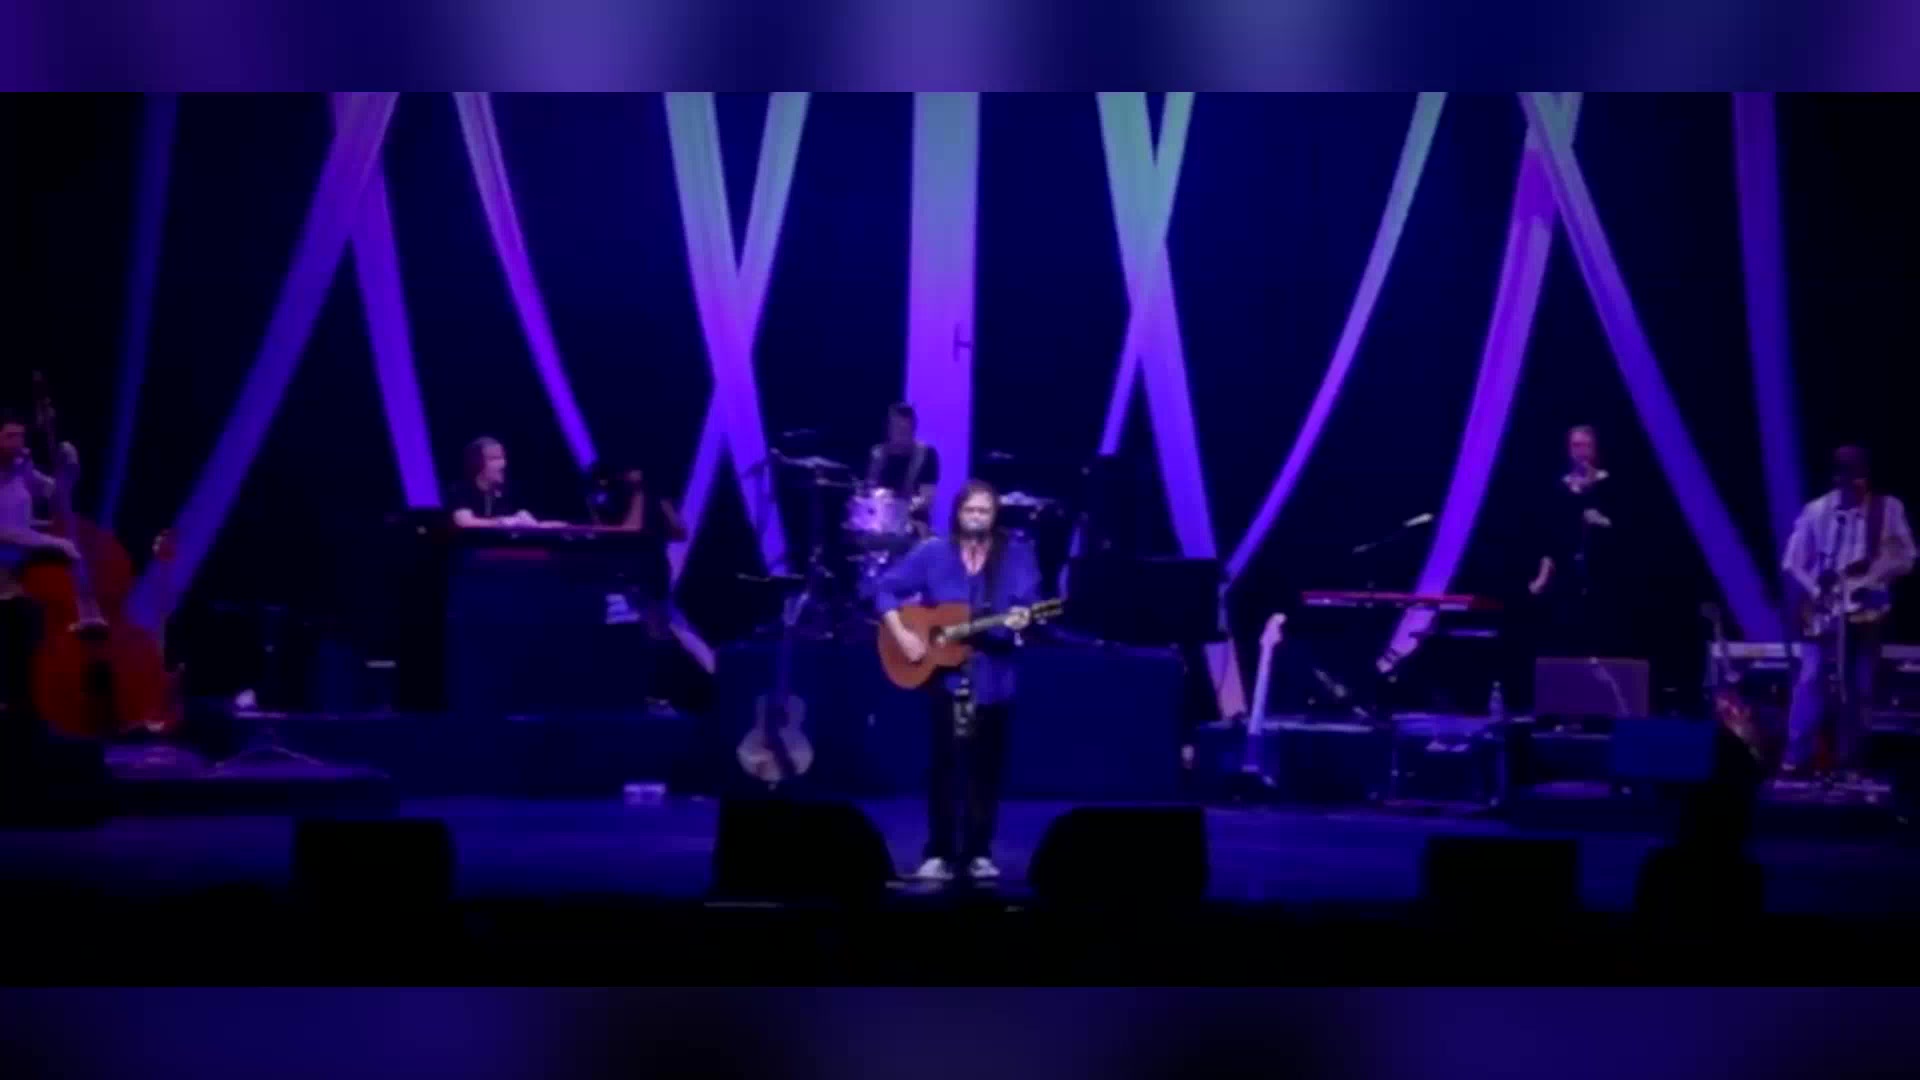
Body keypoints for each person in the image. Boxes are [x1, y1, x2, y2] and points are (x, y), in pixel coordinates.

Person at [874, 480, 1040, 882]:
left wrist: (1022, 619)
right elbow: (885, 589)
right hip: (946, 678)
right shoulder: (933, 552)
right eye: (971, 510)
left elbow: (1028, 603)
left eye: (985, 511)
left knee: (986, 769)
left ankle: (979, 851)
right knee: (945, 766)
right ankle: (940, 852)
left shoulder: (1015, 555)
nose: (977, 518)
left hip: (994, 677)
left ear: (995, 516)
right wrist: (903, 635)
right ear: (957, 513)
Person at [1780, 445, 1914, 780]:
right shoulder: (1817, 511)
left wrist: (1878, 576)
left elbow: (1908, 556)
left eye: (1861, 477)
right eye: (1849, 477)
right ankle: (1795, 760)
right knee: (1811, 680)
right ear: (1836, 478)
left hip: (1867, 612)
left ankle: (1850, 762)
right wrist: (1816, 592)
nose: (1856, 485)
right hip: (1824, 612)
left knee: (1861, 686)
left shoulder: (1888, 509)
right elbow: (1792, 562)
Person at [0, 410, 79, 736]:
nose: (17, 443)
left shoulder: (21, 469)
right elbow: (6, 531)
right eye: (9, 436)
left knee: (28, 641)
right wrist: (53, 542)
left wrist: (70, 469)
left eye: (20, 436)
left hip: (18, 575)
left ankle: (32, 712)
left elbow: (56, 497)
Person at [1528, 424, 1622, 656]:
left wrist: (1602, 521)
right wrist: (1542, 576)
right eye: (1576, 445)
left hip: (1601, 572)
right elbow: (1550, 537)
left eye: (1586, 446)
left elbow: (1622, 528)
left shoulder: (1607, 482)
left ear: (1594, 450)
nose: (1581, 451)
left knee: (1600, 637)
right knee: (1564, 637)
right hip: (1566, 574)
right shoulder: (1559, 487)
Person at [449, 436, 562, 529]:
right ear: (477, 463)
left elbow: (525, 521)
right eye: (494, 459)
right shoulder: (460, 490)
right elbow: (464, 522)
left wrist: (550, 526)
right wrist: (502, 522)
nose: (502, 464)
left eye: (502, 458)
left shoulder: (509, 491)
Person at [864, 402, 940, 530]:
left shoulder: (926, 455)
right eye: (896, 428)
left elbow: (927, 498)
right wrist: (876, 496)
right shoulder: (877, 454)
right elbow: (869, 488)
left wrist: (899, 507)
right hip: (879, 524)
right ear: (889, 429)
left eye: (905, 429)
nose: (900, 434)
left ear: (913, 429)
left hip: (914, 525)